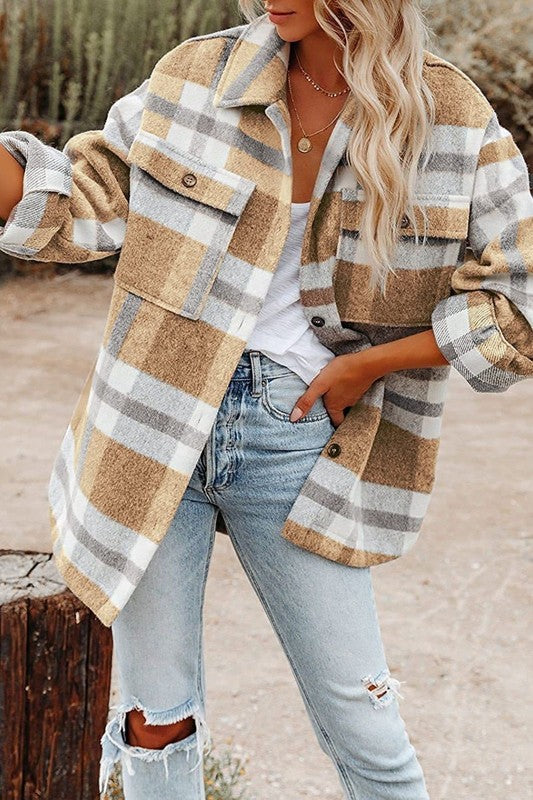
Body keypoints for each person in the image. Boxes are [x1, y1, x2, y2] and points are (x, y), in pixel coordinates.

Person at [1, 2, 532, 799]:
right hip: (151, 423)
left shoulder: (448, 114)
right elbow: (82, 201)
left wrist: (371, 364)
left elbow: (520, 298)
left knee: (363, 719)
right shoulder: (198, 75)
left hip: (300, 434)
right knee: (155, 719)